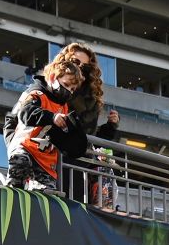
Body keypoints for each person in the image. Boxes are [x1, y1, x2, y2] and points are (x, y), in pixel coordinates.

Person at [49, 43, 121, 203]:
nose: (80, 67)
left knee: (75, 212)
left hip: (80, 166)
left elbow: (90, 137)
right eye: (75, 62)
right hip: (53, 160)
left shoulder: (91, 98)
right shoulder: (53, 86)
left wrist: (110, 127)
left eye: (85, 65)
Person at [3, 60, 83, 191]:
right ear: (52, 78)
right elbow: (25, 112)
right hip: (25, 146)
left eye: (72, 89)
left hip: (46, 158)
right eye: (66, 84)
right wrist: (51, 117)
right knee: (19, 169)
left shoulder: (65, 106)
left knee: (47, 193)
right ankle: (12, 193)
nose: (68, 91)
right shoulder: (36, 94)